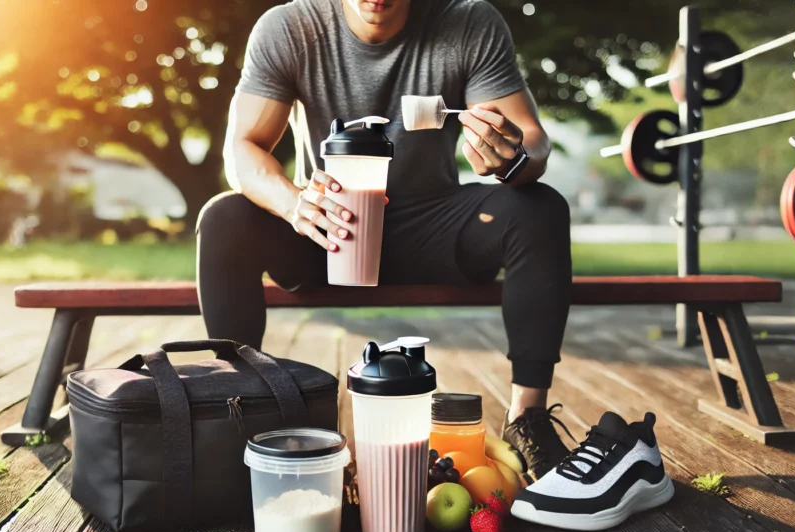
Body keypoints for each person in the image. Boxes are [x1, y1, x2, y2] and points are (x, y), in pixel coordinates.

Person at [196, 0, 573, 479]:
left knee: (538, 207)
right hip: (329, 230)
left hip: (432, 228)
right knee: (225, 216)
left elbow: (534, 141)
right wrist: (295, 204)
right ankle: (235, 405)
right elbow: (243, 149)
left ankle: (527, 418)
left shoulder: (467, 23)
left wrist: (512, 155)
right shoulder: (290, 28)